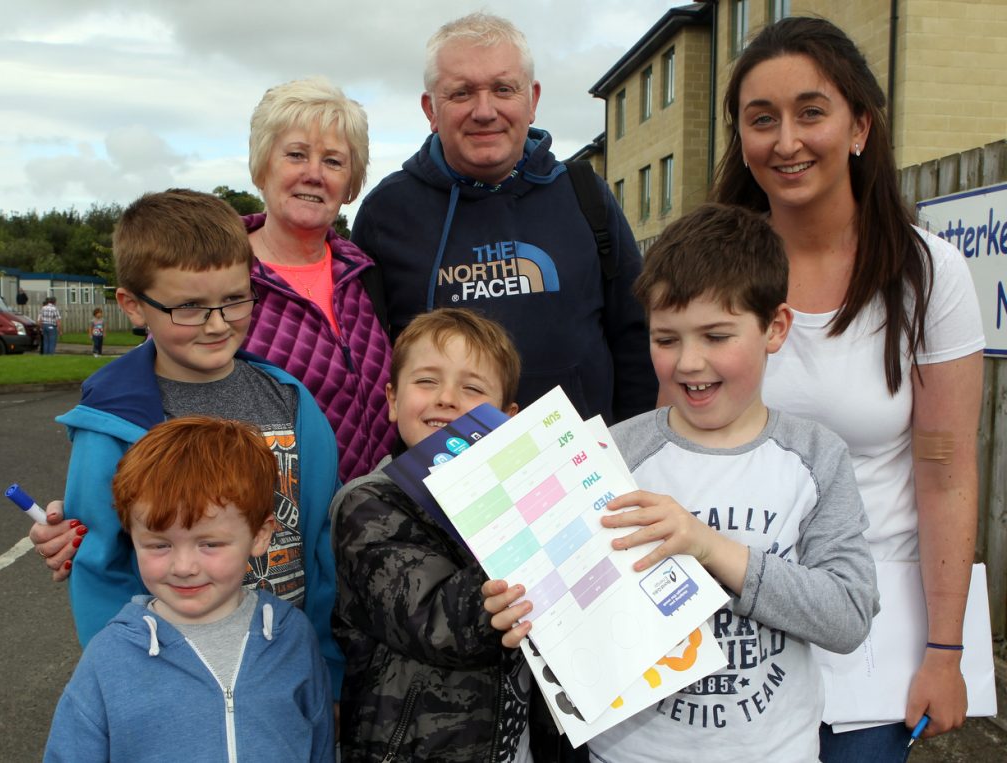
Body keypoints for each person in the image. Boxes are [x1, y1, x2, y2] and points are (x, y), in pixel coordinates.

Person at [484, 203, 879, 762]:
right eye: (666, 339)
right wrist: (526, 611)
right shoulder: (612, 455)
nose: (689, 362)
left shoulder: (817, 458)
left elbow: (847, 616)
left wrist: (708, 546)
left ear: (776, 328)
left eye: (716, 335)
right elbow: (572, 615)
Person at [711, 16, 984, 759]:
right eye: (760, 119)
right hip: (733, 628)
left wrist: (945, 650)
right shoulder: (712, 271)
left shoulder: (927, 274)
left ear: (860, 124)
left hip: (870, 637)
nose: (786, 140)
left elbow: (947, 471)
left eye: (811, 111)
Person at [43, 189, 344, 694]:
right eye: (190, 307)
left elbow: (324, 542)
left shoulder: (290, 401)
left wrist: (328, 671)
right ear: (133, 306)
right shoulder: (112, 419)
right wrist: (127, 681)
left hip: (290, 668)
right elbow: (99, 565)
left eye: (233, 299)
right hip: (171, 680)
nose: (217, 324)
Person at [351, 12, 656, 425]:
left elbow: (636, 336)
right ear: (431, 108)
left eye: (502, 89)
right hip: (442, 475)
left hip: (584, 471)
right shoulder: (386, 213)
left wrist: (631, 447)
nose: (484, 110)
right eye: (461, 93)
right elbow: (369, 363)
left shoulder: (586, 195)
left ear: (532, 99)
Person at [44, 416, 334, 763]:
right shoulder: (108, 658)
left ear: (260, 535)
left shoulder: (292, 638)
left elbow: (319, 747)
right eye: (158, 545)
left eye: (209, 544)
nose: (183, 567)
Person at [331, 307, 533, 762]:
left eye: (472, 388)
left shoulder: (517, 499)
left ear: (508, 418)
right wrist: (537, 524)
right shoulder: (366, 504)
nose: (446, 398)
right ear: (392, 399)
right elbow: (441, 626)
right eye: (426, 381)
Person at [244, 76, 395, 482]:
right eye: (295, 155)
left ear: (350, 183)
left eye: (333, 161)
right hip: (271, 533)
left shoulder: (366, 274)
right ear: (262, 167)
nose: (314, 174)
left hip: (374, 527)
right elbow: (153, 405)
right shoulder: (215, 276)